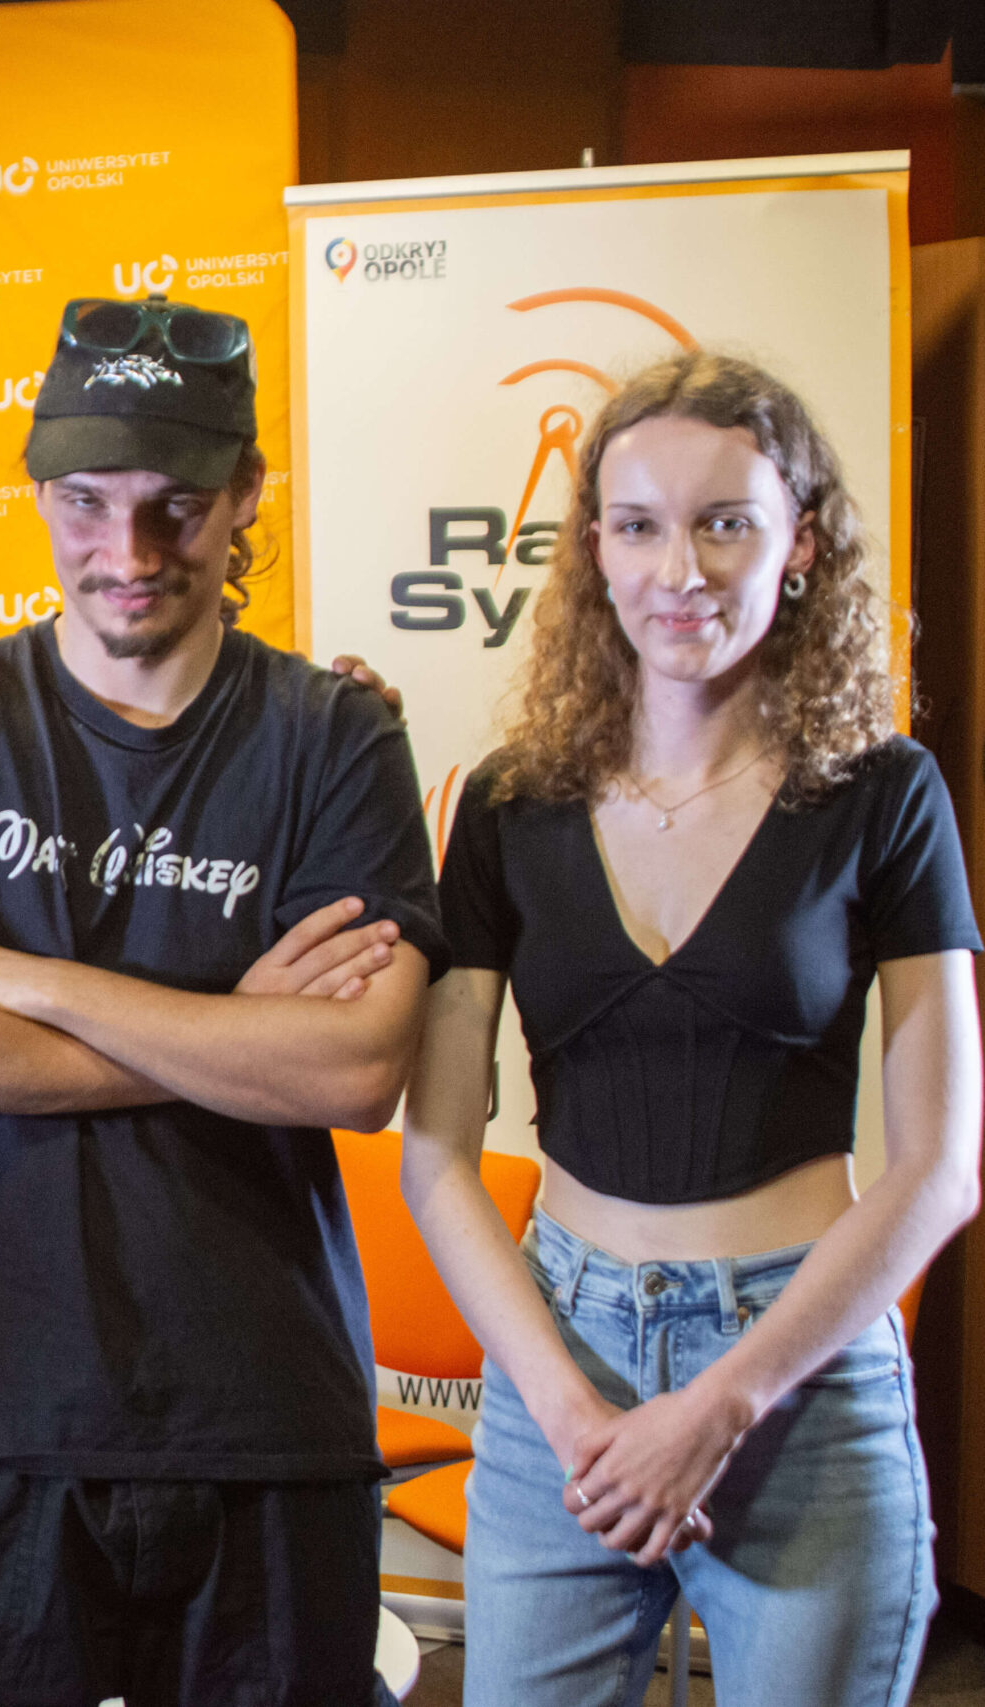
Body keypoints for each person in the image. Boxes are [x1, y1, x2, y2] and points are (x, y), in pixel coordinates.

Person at [0, 293, 442, 1706]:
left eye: (175, 508)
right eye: (86, 503)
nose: (127, 555)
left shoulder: (335, 736)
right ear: (37, 492)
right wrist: (230, 1027)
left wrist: (11, 973)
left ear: (246, 493)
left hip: (267, 1411)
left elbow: (352, 1074)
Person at [400, 351, 982, 1707]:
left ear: (801, 544)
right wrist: (568, 1415)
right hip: (559, 1367)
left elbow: (939, 1168)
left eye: (727, 523)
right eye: (640, 525)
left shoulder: (884, 795)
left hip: (802, 1376)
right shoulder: (508, 803)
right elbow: (435, 1155)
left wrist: (722, 1405)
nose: (682, 570)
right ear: (593, 548)